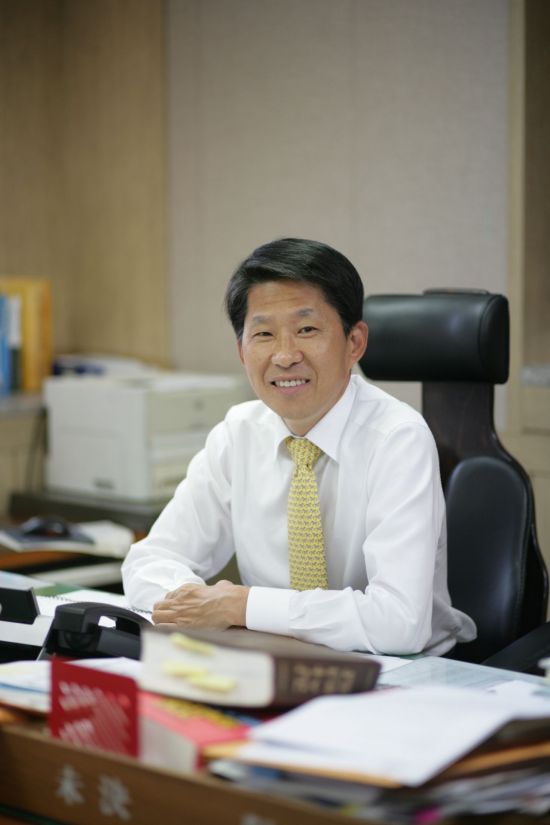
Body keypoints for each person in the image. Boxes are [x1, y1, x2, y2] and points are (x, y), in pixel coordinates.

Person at [122, 237, 476, 655]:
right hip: (271, 660)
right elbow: (148, 562)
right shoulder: (238, 434)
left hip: (407, 672)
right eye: (264, 334)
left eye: (306, 330)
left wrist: (243, 606)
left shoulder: (398, 439)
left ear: (355, 343)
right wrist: (198, 604)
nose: (285, 356)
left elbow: (399, 623)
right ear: (242, 351)